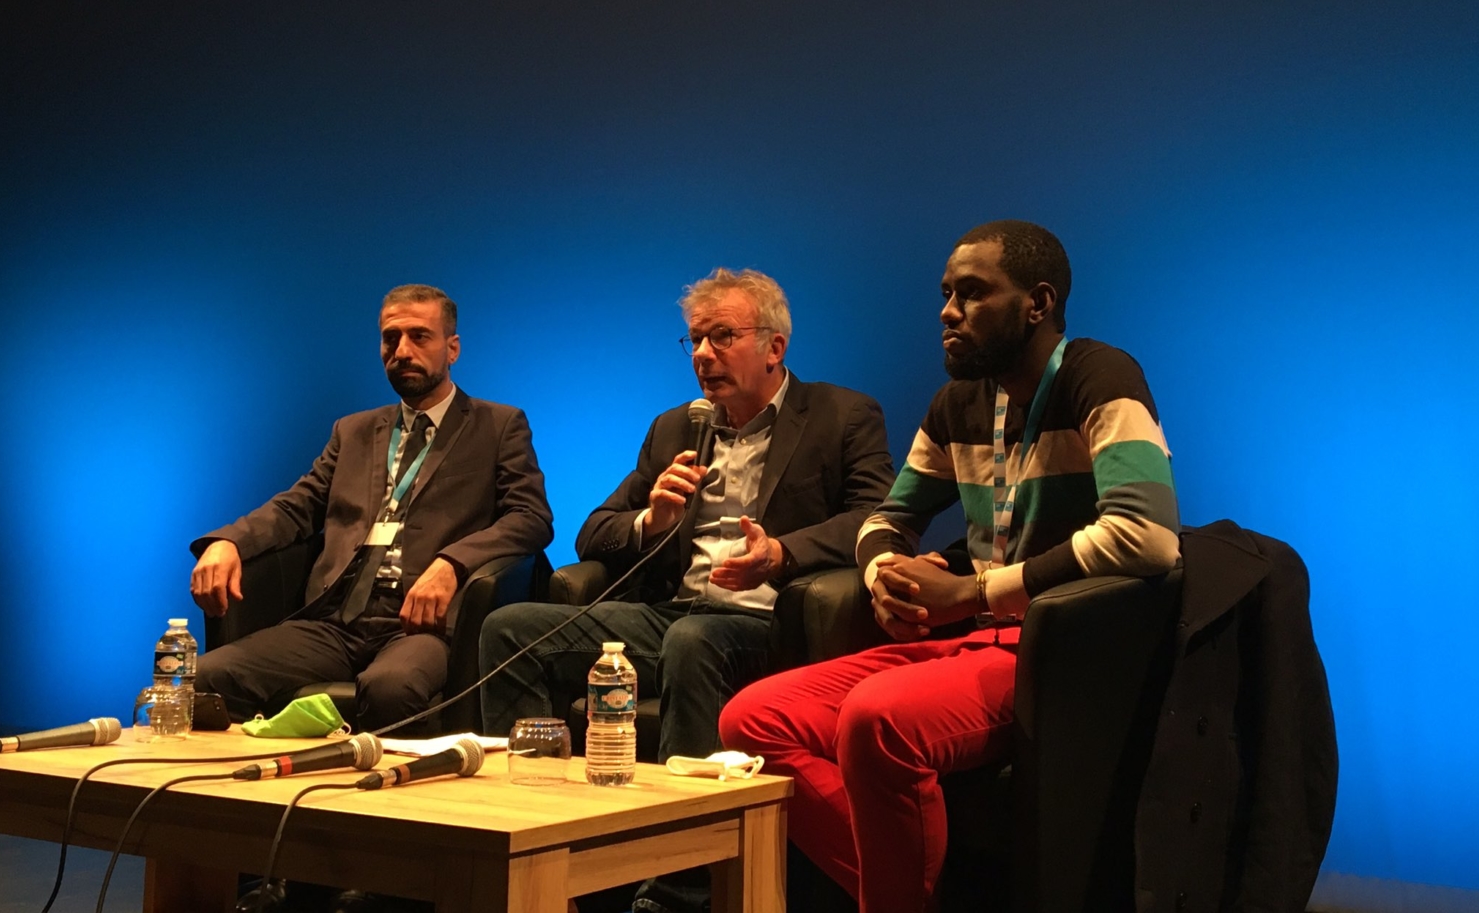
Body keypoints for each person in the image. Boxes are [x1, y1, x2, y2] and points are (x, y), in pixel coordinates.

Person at [718, 222, 1181, 913]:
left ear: (1038, 302)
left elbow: (1147, 534)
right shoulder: (958, 404)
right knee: (754, 718)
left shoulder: (1100, 377)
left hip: (1059, 651)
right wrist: (885, 579)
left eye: (972, 293)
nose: (948, 311)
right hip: (973, 643)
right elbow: (884, 520)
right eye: (945, 294)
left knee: (876, 718)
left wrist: (973, 591)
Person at [478, 267, 895, 762]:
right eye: (695, 339)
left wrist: (782, 553)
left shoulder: (841, 415)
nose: (702, 354)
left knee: (693, 639)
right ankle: (531, 796)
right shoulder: (676, 427)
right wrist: (651, 520)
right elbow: (593, 532)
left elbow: (877, 515)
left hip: (771, 622)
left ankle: (690, 807)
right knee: (508, 628)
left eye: (722, 336)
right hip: (673, 614)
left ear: (774, 348)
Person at [190, 284, 553, 732]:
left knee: (389, 688)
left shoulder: (497, 425)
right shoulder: (354, 431)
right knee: (206, 677)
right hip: (337, 619)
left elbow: (530, 517)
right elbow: (296, 506)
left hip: (421, 624)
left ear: (452, 348)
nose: (402, 351)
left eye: (419, 336)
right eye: (390, 338)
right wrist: (229, 542)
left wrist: (453, 563)